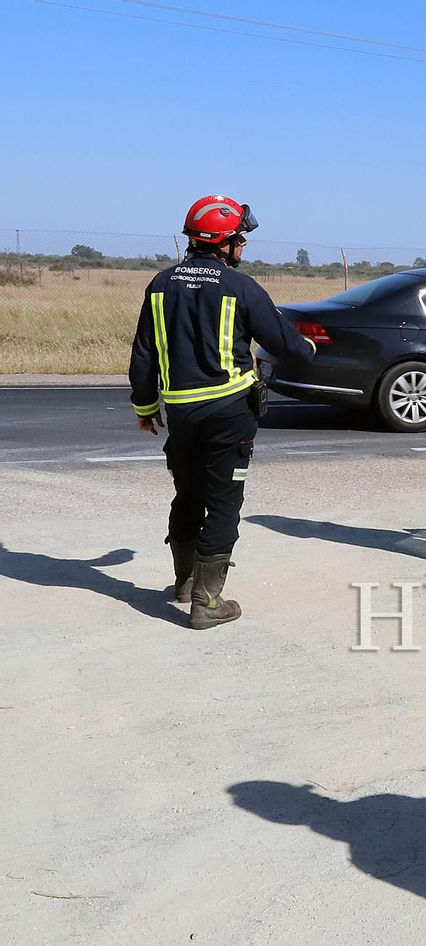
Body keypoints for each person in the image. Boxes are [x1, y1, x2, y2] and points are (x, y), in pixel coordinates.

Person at [128, 195, 318, 629]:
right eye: (240, 239)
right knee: (224, 501)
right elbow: (285, 343)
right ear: (224, 242)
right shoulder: (241, 287)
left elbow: (144, 354)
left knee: (188, 493)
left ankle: (182, 582)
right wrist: (306, 348)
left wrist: (144, 405)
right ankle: (207, 600)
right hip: (230, 411)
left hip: (180, 413)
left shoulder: (160, 284)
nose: (243, 247)